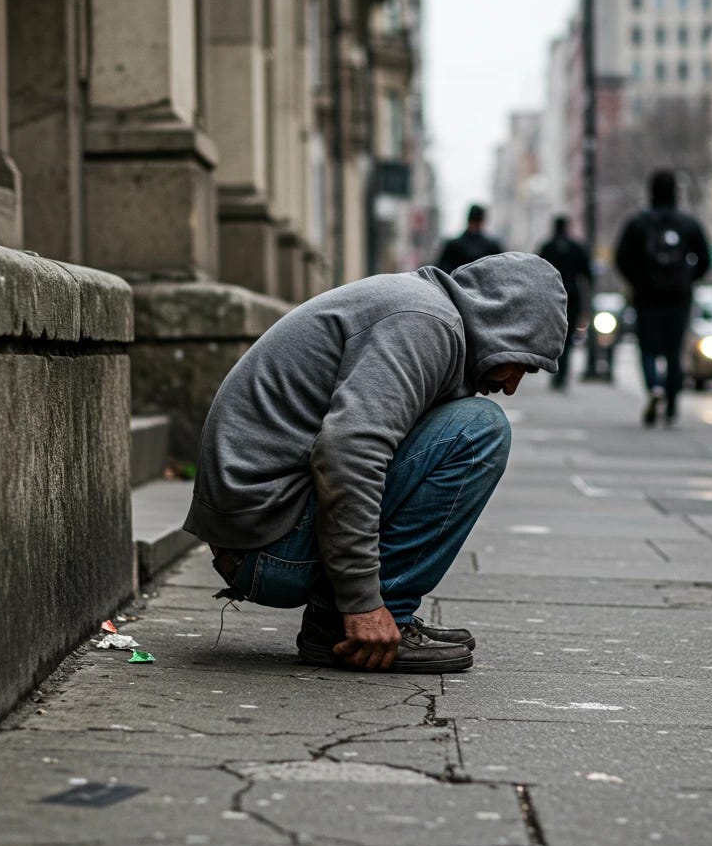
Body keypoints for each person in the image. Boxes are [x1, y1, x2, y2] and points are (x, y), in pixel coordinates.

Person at [183, 253, 567, 673]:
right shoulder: (425, 323)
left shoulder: (424, 311)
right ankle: (363, 621)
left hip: (258, 528)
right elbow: (349, 453)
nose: (511, 386)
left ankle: (356, 615)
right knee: (480, 430)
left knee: (467, 421)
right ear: (503, 322)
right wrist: (362, 604)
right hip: (268, 547)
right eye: (523, 365)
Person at [615, 169, 710, 426]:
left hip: (647, 298)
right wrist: (688, 278)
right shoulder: (688, 224)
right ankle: (671, 405)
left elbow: (621, 258)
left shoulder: (638, 223)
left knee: (647, 349)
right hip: (678, 298)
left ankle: (654, 388)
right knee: (673, 352)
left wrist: (637, 280)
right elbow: (706, 258)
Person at [538, 215, 593, 389]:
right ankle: (562, 374)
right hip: (572, 296)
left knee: (554, 335)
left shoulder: (547, 247)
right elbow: (588, 273)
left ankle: (554, 372)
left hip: (551, 296)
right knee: (568, 337)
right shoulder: (576, 247)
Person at [437, 204, 504, 274]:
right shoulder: (492, 247)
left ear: (468, 219)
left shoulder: (452, 246)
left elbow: (442, 273)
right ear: (482, 221)